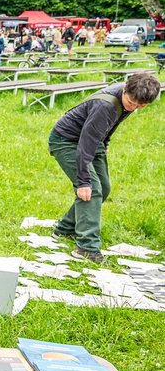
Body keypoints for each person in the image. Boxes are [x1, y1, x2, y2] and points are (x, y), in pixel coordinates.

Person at [49, 73, 160, 264]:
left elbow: (113, 122)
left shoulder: (131, 96)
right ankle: (87, 248)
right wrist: (83, 182)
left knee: (104, 187)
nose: (133, 107)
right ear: (125, 89)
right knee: (91, 189)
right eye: (131, 102)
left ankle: (66, 228)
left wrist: (105, 142)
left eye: (140, 106)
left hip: (93, 139)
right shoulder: (105, 105)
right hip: (66, 140)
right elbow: (85, 144)